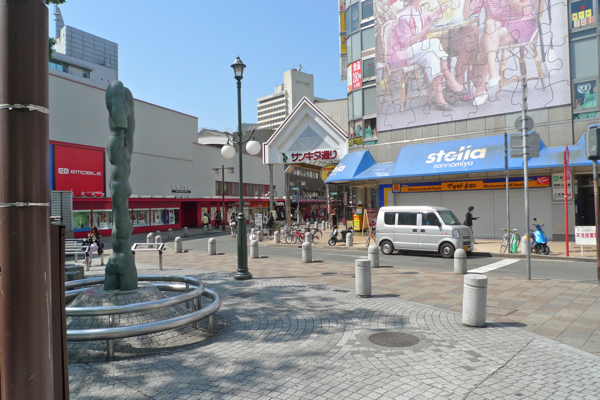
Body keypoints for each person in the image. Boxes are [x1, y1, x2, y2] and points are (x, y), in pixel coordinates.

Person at [388, 0, 470, 111]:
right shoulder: (404, 16)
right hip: (402, 54)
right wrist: (427, 26)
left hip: (415, 51)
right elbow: (407, 43)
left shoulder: (418, 9)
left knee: (431, 57)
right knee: (435, 42)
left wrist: (437, 12)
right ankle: (449, 78)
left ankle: (440, 99)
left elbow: (426, 17)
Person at [464, 0, 538, 106]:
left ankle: (481, 88)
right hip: (501, 23)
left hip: (523, 22)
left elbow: (521, 9)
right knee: (489, 24)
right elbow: (466, 15)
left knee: (485, 41)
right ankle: (492, 74)